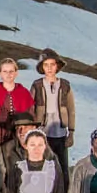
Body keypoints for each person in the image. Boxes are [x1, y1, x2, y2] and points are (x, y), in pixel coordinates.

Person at [30, 48, 76, 179]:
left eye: (52, 64)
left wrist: (71, 133)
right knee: (43, 165)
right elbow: (30, 108)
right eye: (46, 65)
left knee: (62, 167)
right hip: (42, 133)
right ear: (42, 67)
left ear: (57, 66)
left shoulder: (65, 85)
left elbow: (71, 110)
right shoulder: (37, 85)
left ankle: (64, 190)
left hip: (60, 134)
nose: (49, 68)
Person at [0, 58, 33, 144]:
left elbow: (31, 115)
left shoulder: (24, 92)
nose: (8, 74)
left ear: (16, 73)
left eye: (11, 71)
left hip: (20, 131)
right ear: (0, 73)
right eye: (5, 71)